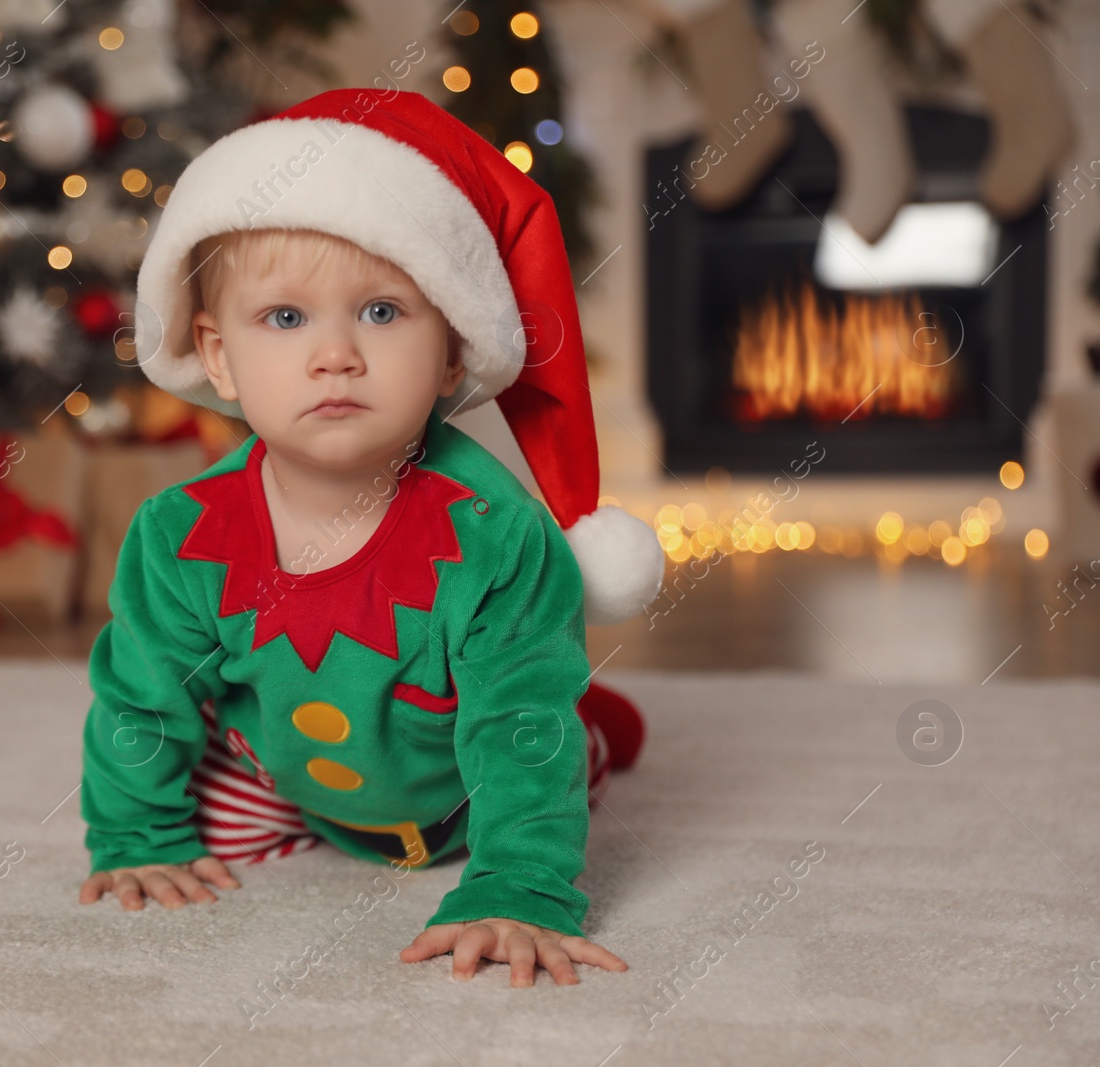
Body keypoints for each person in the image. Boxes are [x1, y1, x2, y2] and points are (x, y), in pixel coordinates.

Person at [77, 87, 664, 988]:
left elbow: (516, 730)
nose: (335, 354)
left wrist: (516, 886)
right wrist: (134, 837)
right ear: (218, 353)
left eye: (383, 312)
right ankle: (261, 815)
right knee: (194, 818)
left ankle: (589, 725)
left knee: (549, 755)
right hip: (289, 774)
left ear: (454, 352)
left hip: (465, 791)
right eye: (284, 317)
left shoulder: (497, 537)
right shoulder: (179, 534)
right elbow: (140, 700)